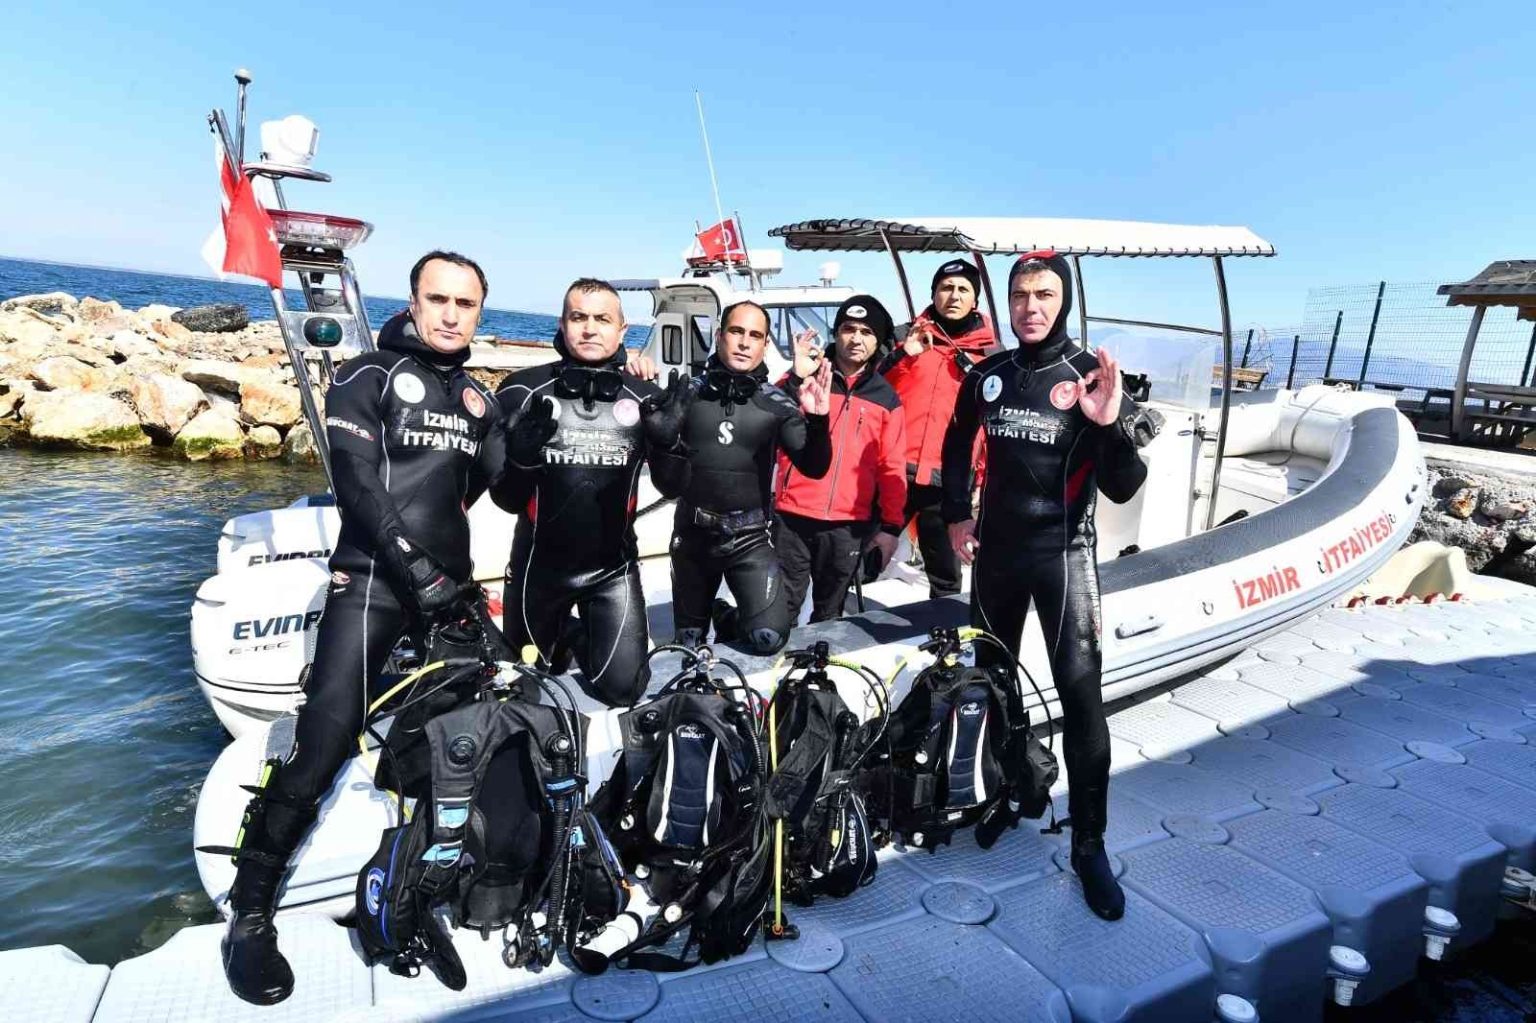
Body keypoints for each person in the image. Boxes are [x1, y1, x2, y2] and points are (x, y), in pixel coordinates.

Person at [210, 251, 506, 1003]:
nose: (450, 314)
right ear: (412, 299)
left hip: (448, 595)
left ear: (479, 312)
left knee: (464, 743)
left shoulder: (477, 397)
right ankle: (250, 912)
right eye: (438, 298)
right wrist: (418, 568)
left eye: (465, 303)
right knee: (324, 743)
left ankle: (419, 887)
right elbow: (357, 484)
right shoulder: (366, 375)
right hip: (373, 585)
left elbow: (485, 484)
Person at [941, 250, 1148, 922]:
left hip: (1063, 556)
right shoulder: (989, 375)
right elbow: (954, 445)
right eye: (1020, 294)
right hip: (996, 554)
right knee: (993, 685)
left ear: (1064, 302)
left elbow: (1124, 485)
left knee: (1081, 698)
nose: (1031, 306)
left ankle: (1090, 845)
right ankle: (1012, 792)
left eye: (1045, 294)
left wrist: (1109, 424)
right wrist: (956, 515)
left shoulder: (1089, 375)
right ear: (1007, 301)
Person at [490, 278, 691, 705]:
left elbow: (673, 487)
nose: (589, 328)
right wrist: (521, 459)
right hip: (537, 570)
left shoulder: (646, 398)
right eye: (578, 317)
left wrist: (669, 444)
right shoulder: (521, 391)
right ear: (562, 325)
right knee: (525, 692)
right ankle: (561, 631)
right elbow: (506, 501)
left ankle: (574, 632)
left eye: (602, 319)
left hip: (612, 571)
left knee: (625, 689)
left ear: (622, 330)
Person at [669, 300, 833, 653]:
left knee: (769, 639)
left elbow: (814, 467)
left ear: (765, 344)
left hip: (749, 537)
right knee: (687, 644)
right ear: (719, 336)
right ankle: (704, 618)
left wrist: (819, 421)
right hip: (693, 535)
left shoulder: (776, 403)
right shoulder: (687, 394)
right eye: (736, 331)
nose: (744, 342)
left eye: (755, 335)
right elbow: (664, 478)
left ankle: (725, 617)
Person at [774, 295, 908, 623]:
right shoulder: (807, 375)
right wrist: (795, 377)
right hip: (793, 516)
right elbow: (770, 412)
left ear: (878, 341)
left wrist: (891, 527)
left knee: (830, 615)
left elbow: (892, 465)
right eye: (849, 329)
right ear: (836, 333)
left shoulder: (887, 399)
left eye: (866, 332)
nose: (856, 338)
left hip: (848, 524)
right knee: (780, 611)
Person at [880, 258, 998, 598]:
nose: (954, 295)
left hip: (948, 481)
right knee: (861, 559)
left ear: (975, 299)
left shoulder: (991, 355)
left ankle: (945, 631)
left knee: (946, 577)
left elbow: (992, 423)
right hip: (894, 474)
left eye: (963, 289)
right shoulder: (904, 339)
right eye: (946, 288)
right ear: (933, 294)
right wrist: (905, 355)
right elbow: (875, 391)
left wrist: (983, 477)